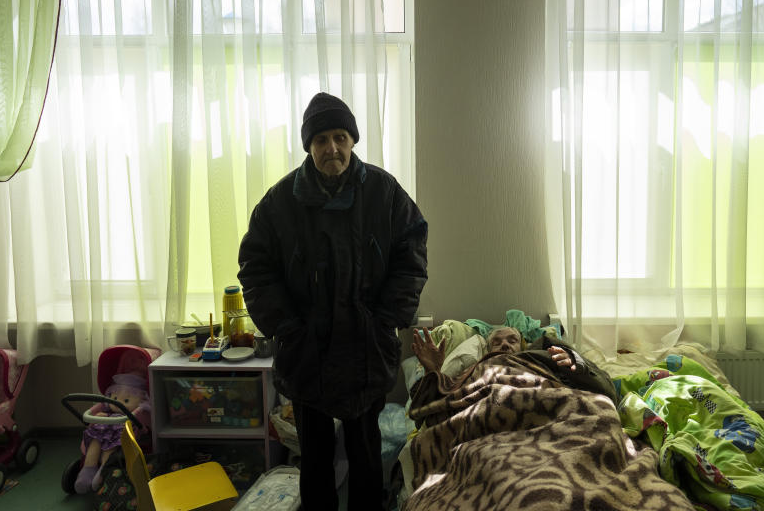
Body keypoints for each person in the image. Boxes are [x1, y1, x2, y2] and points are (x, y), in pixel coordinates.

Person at [238, 92, 428, 511]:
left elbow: (411, 255)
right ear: (309, 145)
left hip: (366, 347)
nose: (332, 148)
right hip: (308, 352)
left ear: (353, 141)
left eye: (340, 137)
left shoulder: (384, 192)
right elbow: (255, 269)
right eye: (321, 139)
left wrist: (387, 320)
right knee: (316, 460)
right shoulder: (279, 202)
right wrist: (286, 327)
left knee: (365, 455)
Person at [410, 325, 617, 404]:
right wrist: (433, 371)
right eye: (496, 342)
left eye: (512, 340)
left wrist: (577, 365)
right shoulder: (474, 369)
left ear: (523, 346)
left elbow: (608, 393)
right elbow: (432, 406)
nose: (505, 345)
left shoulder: (545, 358)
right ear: (487, 349)